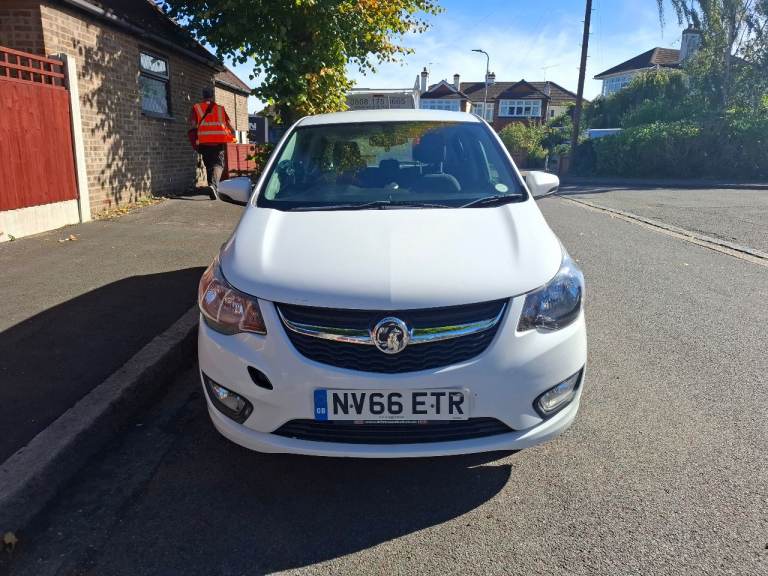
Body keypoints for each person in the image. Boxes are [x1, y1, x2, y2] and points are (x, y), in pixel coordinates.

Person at [188, 86, 236, 199]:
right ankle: (213, 186)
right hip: (218, 142)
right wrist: (233, 134)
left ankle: (212, 187)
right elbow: (229, 125)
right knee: (218, 165)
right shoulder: (220, 108)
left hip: (204, 141)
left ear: (203, 96)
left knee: (209, 165)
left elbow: (193, 124)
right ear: (212, 95)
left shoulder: (196, 107)